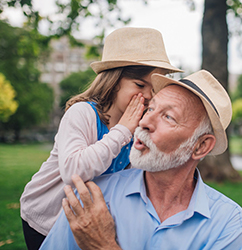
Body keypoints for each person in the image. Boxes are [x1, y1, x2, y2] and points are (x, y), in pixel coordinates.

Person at [40, 70, 242, 249]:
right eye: (150, 109)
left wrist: (104, 246)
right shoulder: (93, 197)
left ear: (201, 146)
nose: (144, 121)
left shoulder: (228, 223)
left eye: (168, 117)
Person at [19, 27, 182, 250]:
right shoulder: (83, 113)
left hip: (84, 223)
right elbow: (73, 172)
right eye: (140, 85)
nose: (146, 95)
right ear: (114, 81)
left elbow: (132, 177)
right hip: (46, 218)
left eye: (153, 90)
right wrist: (123, 130)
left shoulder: (137, 127)